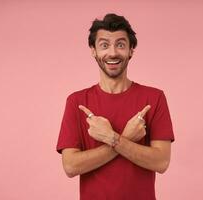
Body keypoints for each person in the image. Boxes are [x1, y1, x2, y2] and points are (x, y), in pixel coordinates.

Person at [56, 13, 175, 200]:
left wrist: (112, 138)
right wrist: (126, 138)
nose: (112, 53)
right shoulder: (76, 102)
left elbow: (161, 162)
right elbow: (70, 166)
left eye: (120, 44)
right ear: (93, 50)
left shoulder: (154, 98)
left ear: (131, 50)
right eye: (104, 45)